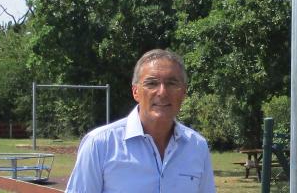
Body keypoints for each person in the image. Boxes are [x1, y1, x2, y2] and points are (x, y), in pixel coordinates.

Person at [65, 49, 216, 192]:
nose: (162, 92)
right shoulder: (100, 144)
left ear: (183, 92)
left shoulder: (197, 146)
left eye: (171, 83)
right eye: (152, 83)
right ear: (135, 92)